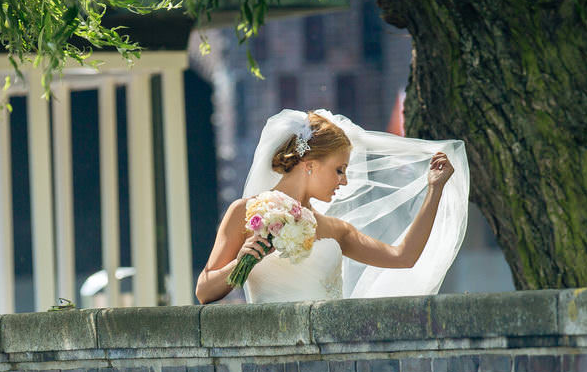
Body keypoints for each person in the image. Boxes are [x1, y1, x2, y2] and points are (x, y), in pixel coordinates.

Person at [196, 109, 469, 304]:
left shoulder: (335, 229)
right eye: (339, 170)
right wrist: (244, 261)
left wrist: (434, 189)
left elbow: (403, 257)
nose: (345, 180)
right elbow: (204, 291)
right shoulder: (245, 214)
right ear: (310, 165)